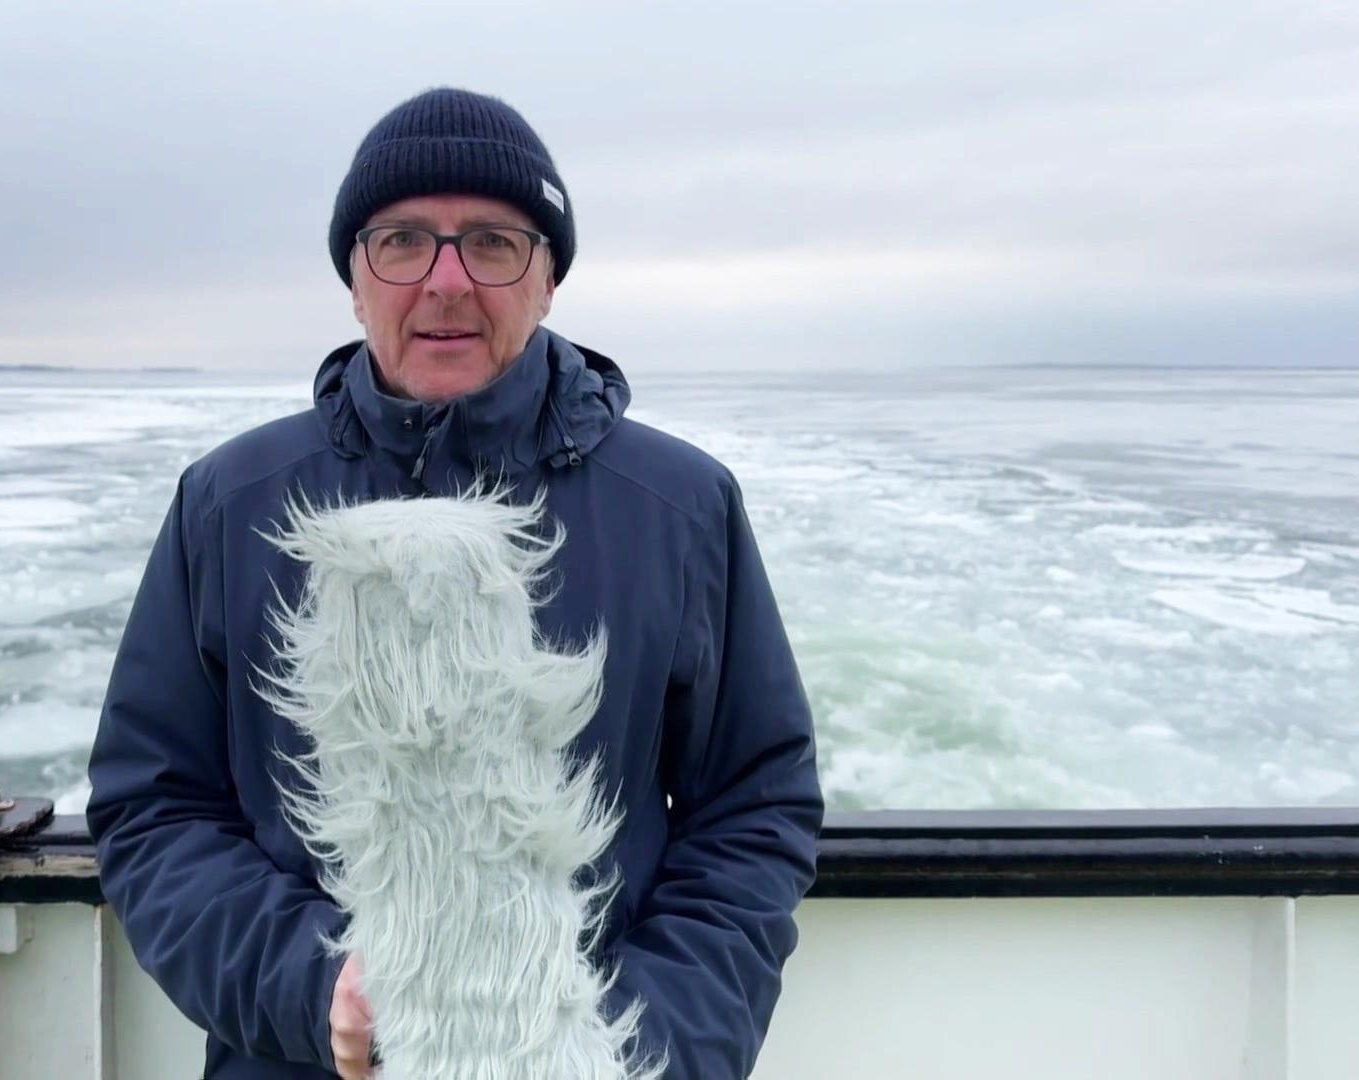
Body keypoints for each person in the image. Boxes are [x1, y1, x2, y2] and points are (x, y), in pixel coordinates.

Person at [86, 86, 823, 1080]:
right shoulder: (232, 501)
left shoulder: (681, 507)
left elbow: (754, 807)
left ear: (549, 276)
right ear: (355, 275)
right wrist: (314, 990)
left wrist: (640, 1052)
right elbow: (155, 807)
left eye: (493, 242)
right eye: (401, 242)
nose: (445, 282)